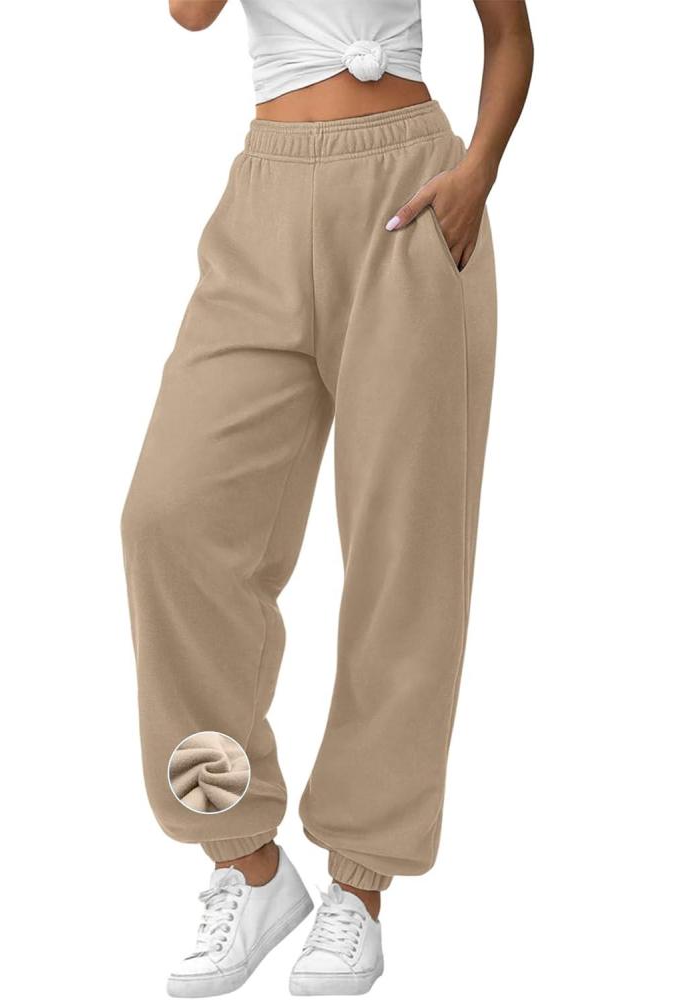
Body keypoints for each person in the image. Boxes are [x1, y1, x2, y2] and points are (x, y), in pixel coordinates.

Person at [121, 1, 533, 994]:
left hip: (411, 191)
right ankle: (245, 859)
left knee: (405, 548)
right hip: (265, 195)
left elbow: (509, 32)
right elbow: (189, 14)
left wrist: (477, 171)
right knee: (169, 521)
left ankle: (362, 883)